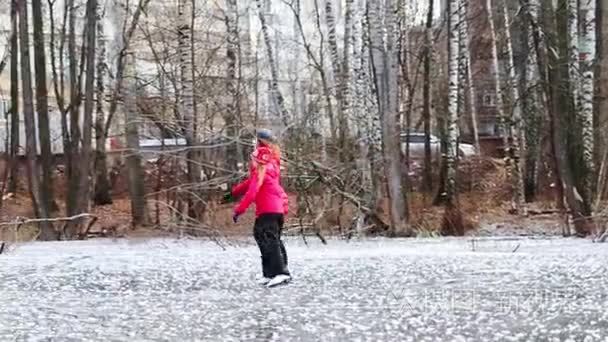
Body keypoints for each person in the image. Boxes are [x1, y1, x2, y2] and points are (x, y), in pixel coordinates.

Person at [229, 129, 291, 287]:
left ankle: (281, 273)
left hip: (268, 210)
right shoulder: (271, 166)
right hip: (276, 210)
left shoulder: (262, 171)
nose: (252, 162)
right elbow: (249, 184)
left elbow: (251, 192)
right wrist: (232, 194)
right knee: (267, 238)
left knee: (269, 239)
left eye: (253, 159)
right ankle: (270, 273)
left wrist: (238, 210)